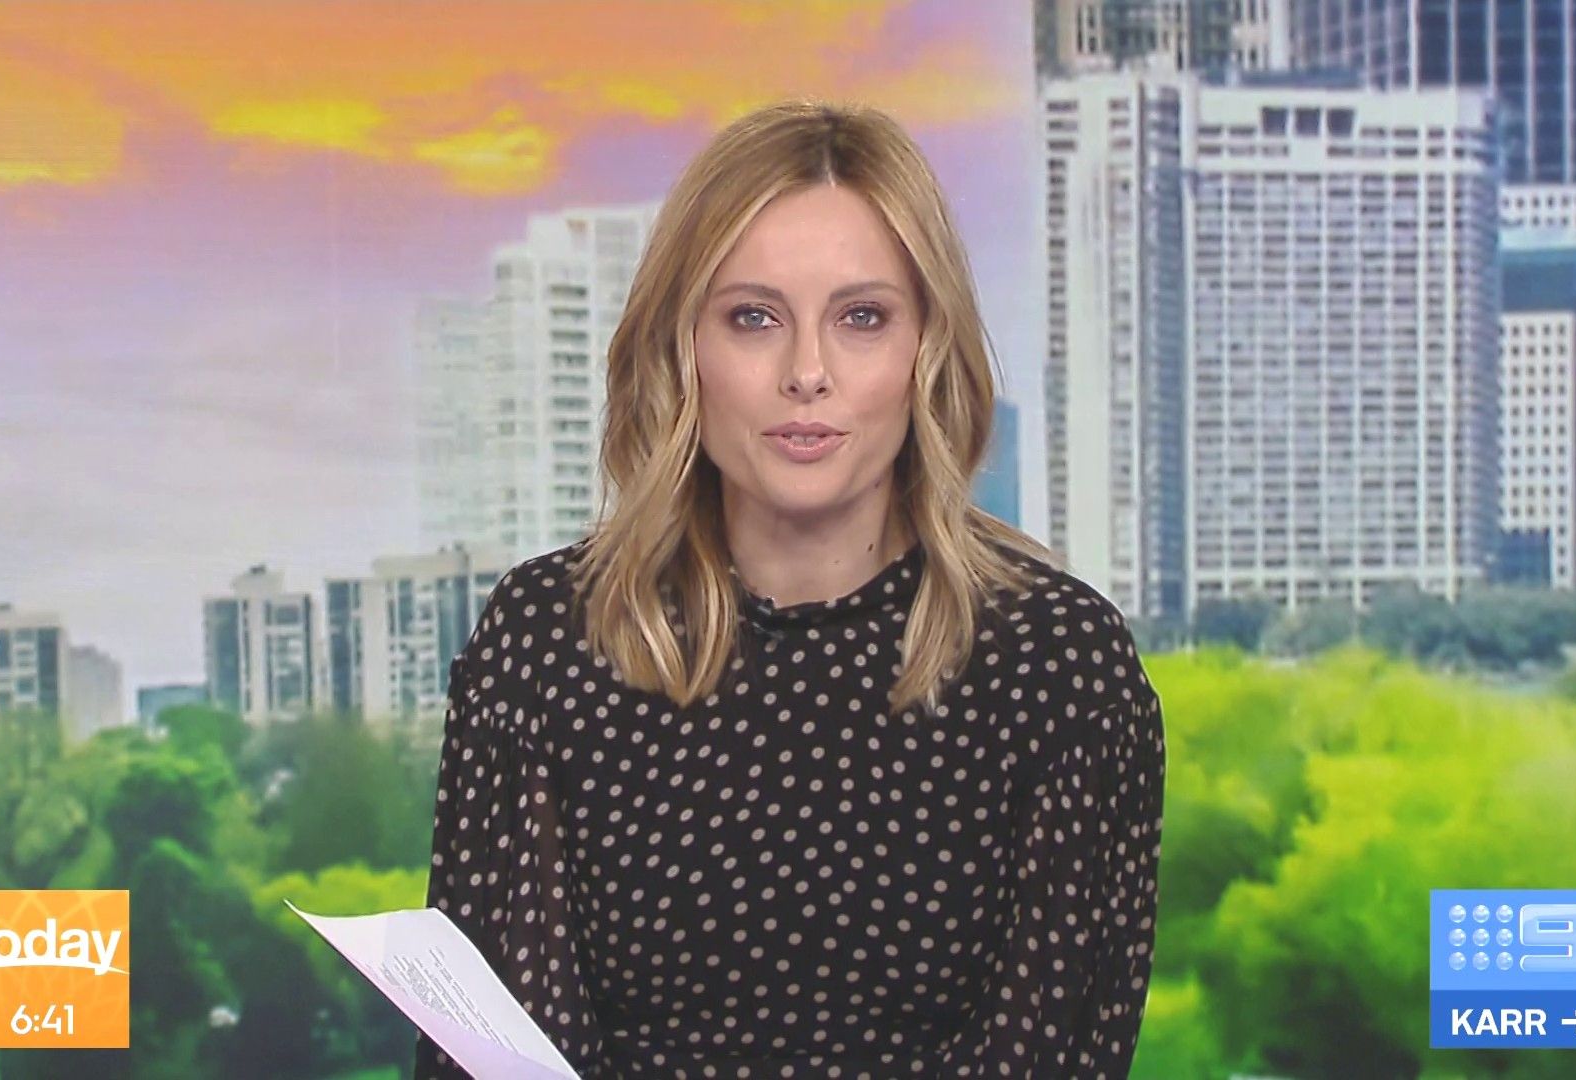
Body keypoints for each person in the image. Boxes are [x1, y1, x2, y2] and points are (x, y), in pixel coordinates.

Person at [415, 99, 1165, 1079]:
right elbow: (483, 1048)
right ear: (683, 347)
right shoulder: (549, 640)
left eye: (862, 318)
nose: (807, 373)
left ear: (926, 347)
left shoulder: (1059, 666)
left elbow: (1059, 1055)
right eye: (754, 318)